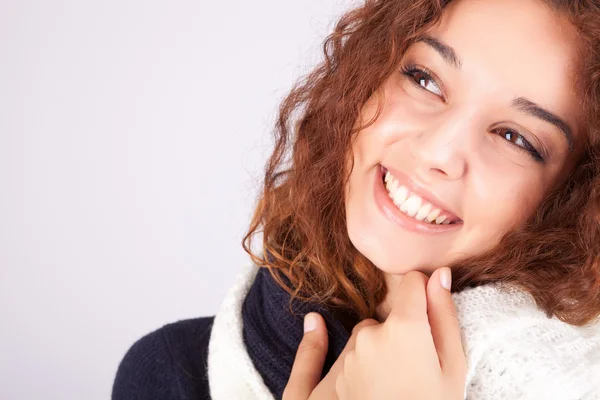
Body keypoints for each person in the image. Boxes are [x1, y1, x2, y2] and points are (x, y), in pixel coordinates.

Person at [112, 0, 600, 399]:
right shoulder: (171, 375)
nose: (437, 152)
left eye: (515, 137)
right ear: (367, 77)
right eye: (425, 80)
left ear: (575, 197)